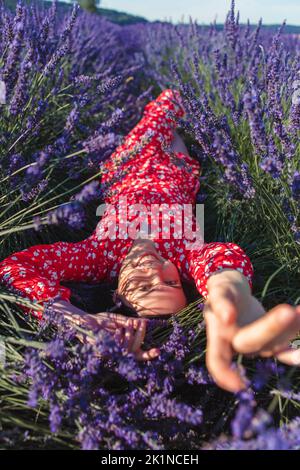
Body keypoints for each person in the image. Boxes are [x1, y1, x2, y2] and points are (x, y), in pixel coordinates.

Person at [0, 89, 299, 392]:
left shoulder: (99, 256)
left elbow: (16, 267)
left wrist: (73, 319)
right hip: (176, 170)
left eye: (143, 286)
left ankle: (165, 106)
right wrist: (229, 298)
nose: (157, 271)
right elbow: (219, 259)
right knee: (171, 120)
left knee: (166, 107)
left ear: (115, 293)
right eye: (171, 284)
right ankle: (171, 110)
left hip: (126, 168)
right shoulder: (182, 255)